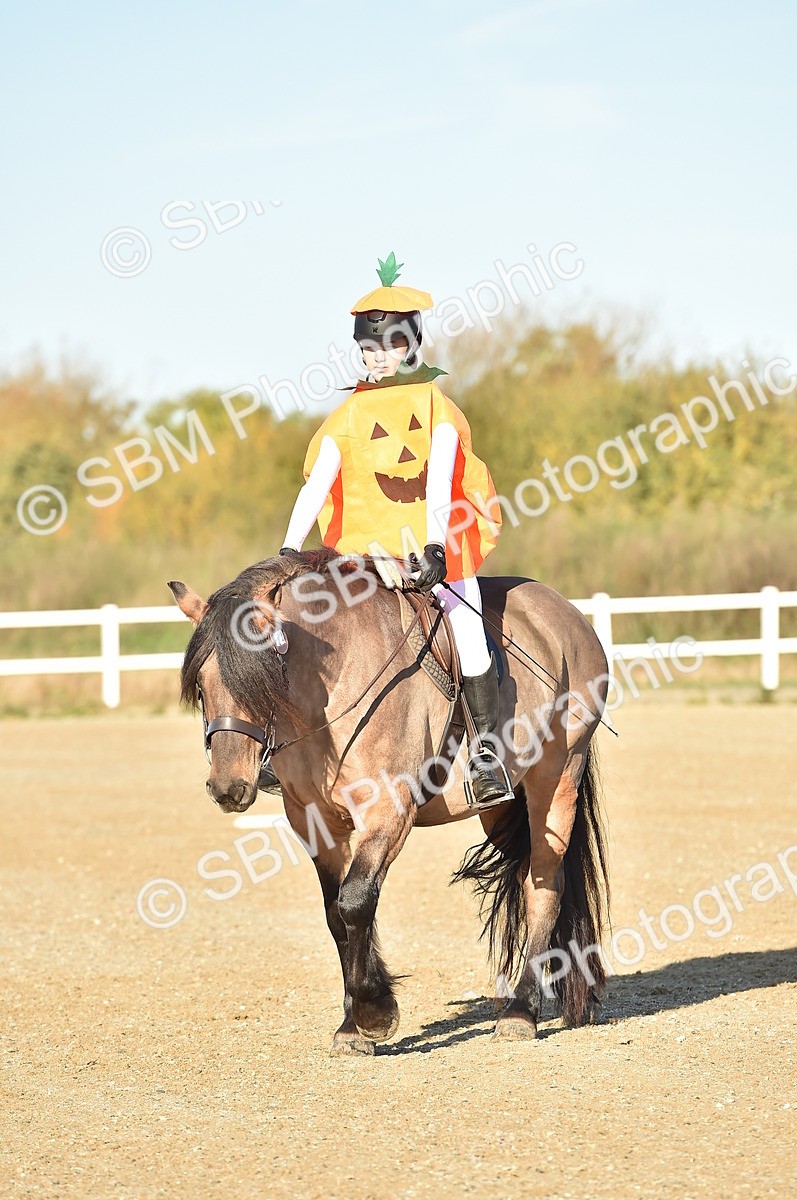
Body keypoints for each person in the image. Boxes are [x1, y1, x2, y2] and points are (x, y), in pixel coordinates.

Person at [278, 252, 512, 808]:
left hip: (432, 551)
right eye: (367, 349)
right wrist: (288, 550)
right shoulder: (350, 414)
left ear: (411, 346)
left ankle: (486, 754)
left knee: (466, 620)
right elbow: (318, 483)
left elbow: (434, 480)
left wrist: (434, 546)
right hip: (361, 555)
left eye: (387, 347)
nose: (377, 359)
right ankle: (279, 748)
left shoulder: (434, 406)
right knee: (296, 624)